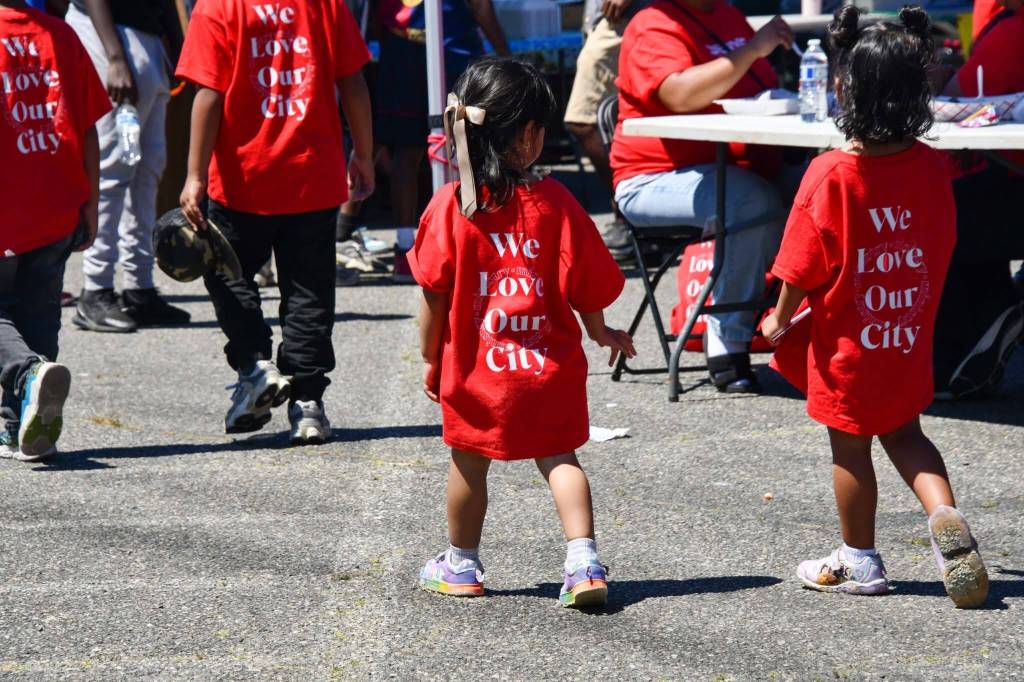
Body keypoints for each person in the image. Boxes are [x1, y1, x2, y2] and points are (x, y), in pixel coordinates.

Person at [762, 6, 989, 608]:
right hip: (907, 334)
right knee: (908, 434)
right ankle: (944, 514)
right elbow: (942, 238)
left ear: (844, 90)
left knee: (850, 445)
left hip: (848, 346)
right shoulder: (928, 165)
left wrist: (779, 317)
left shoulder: (831, 173)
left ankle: (859, 560)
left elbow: (798, 263)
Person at [410, 59, 635, 607]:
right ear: (530, 136)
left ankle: (461, 564)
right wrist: (602, 332)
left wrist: (429, 358)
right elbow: (587, 282)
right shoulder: (557, 203)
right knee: (561, 458)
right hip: (547, 368)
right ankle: (583, 561)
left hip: (476, 371)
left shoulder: (450, 208)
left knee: (468, 463)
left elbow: (432, 296)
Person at [176, 0, 374, 444]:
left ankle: (254, 366)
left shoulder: (218, 7)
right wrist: (362, 153)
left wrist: (193, 175)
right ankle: (307, 404)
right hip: (312, 175)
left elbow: (208, 92)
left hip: (243, 178)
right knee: (309, 292)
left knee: (229, 275)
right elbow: (354, 82)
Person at [611, 0, 794, 392]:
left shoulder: (728, 15)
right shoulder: (652, 23)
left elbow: (756, 89)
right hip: (650, 180)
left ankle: (827, 335)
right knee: (753, 203)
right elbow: (678, 95)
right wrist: (752, 49)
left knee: (822, 188)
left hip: (727, 170)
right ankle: (726, 341)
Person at [0, 0, 109, 460]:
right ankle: (19, 427)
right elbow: (86, 127)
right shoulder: (59, 34)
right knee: (39, 314)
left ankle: (26, 374)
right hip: (55, 202)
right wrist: (92, 201)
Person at [66, 0, 190, 332]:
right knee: (113, 169)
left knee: (149, 169)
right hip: (110, 39)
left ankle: (139, 286)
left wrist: (181, 49)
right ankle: (96, 289)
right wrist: (115, 57)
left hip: (146, 41)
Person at [928, 0, 1024, 398]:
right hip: (1007, 177)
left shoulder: (1013, 29)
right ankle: (996, 312)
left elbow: (953, 96)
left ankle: (961, 350)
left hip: (1011, 183)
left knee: (939, 215)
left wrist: (938, 75)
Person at [376, 0, 509, 282]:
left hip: (444, 49)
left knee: (463, 147)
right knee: (423, 150)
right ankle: (408, 246)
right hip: (417, 52)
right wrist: (503, 53)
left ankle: (469, 240)